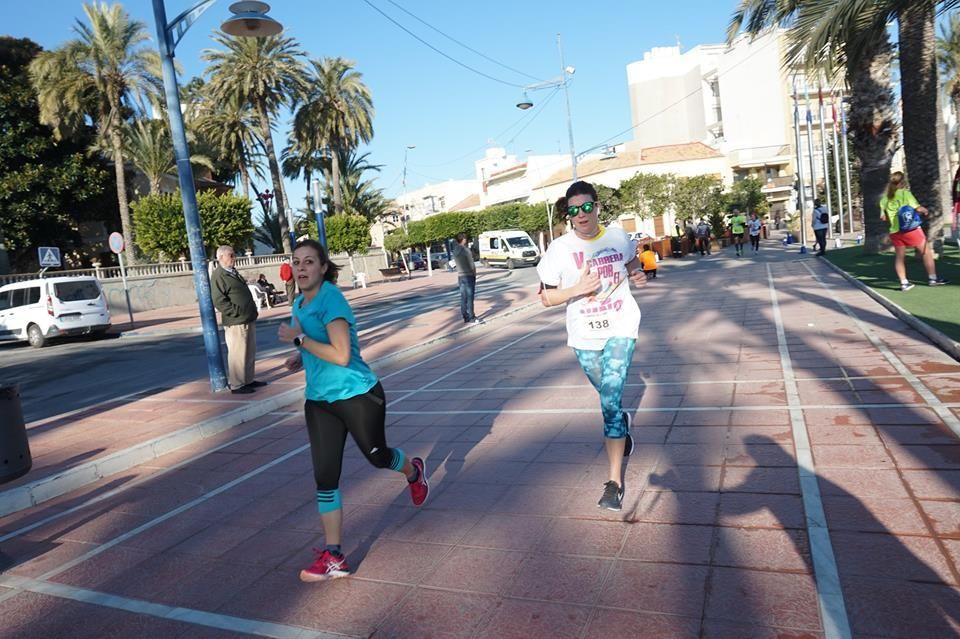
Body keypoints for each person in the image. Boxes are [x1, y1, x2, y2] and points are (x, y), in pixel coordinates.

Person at [278, 239, 430, 582]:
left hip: (358, 395)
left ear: (322, 267)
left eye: (309, 262)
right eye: (297, 262)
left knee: (377, 457)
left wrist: (300, 342)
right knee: (325, 476)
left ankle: (413, 470)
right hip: (320, 402)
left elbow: (342, 355)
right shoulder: (300, 303)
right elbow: (316, 347)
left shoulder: (332, 299)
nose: (302, 268)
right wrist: (299, 357)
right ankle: (334, 555)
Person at [537, 180, 648, 512]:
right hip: (583, 335)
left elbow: (631, 264)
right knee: (607, 395)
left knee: (610, 402)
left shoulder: (617, 237)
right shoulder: (558, 249)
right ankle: (622, 425)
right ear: (568, 215)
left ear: (597, 207)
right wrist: (576, 289)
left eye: (586, 207)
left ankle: (614, 483)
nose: (581, 215)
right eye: (573, 210)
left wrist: (638, 274)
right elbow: (545, 297)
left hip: (621, 325)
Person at [211, 245, 266, 394]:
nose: (234, 258)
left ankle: (248, 380)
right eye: (231, 255)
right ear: (221, 257)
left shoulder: (232, 272)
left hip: (247, 318)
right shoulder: (219, 275)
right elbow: (219, 300)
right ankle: (237, 384)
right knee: (237, 353)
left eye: (234, 255)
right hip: (236, 321)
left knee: (249, 351)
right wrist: (236, 312)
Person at [879, 172, 948, 290]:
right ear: (902, 182)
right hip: (911, 229)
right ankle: (933, 278)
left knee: (900, 257)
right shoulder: (906, 194)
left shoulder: (885, 199)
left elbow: (883, 217)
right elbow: (918, 208)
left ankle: (904, 283)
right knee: (926, 252)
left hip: (895, 232)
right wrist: (925, 211)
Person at [451, 232, 481, 325]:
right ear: (463, 239)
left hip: (460, 275)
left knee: (463, 297)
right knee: (470, 297)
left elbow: (454, 264)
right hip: (469, 275)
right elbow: (472, 265)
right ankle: (472, 316)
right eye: (466, 238)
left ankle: (465, 316)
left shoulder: (455, 251)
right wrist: (474, 275)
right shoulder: (466, 250)